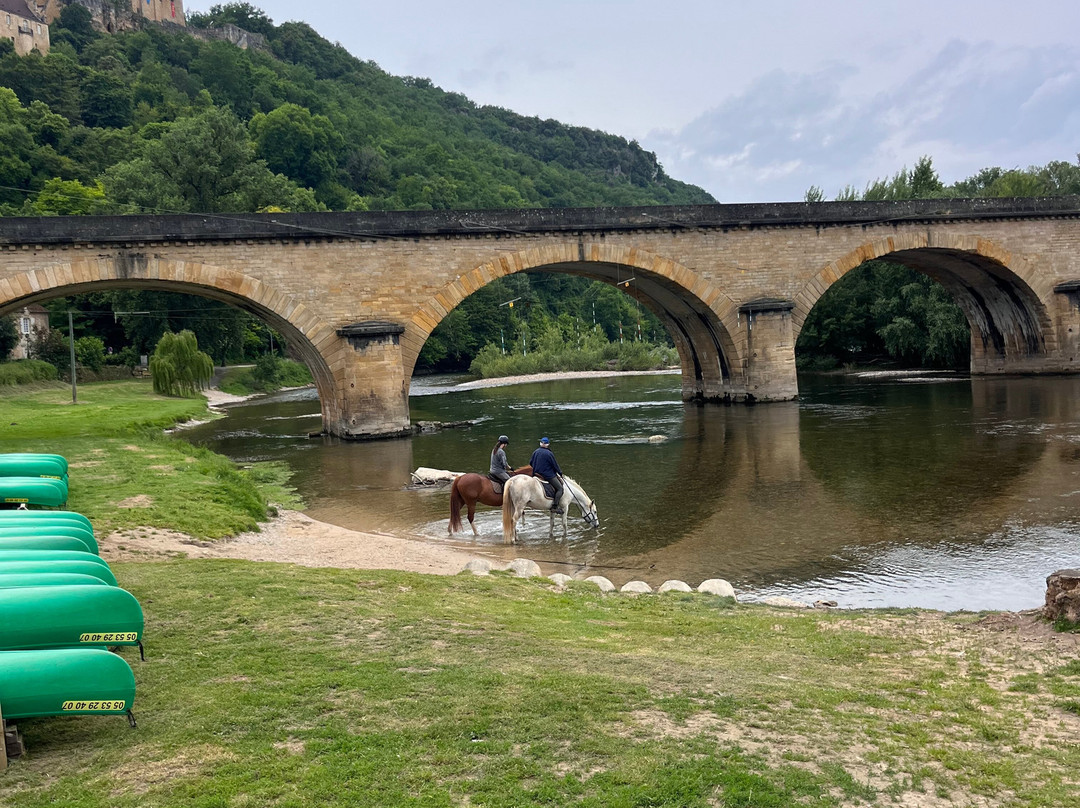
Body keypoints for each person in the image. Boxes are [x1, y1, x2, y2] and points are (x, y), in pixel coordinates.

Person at [529, 436, 564, 514]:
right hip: (547, 475)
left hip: (536, 474)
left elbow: (531, 463)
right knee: (560, 489)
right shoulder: (549, 453)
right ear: (548, 444)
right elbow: (555, 465)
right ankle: (554, 507)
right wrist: (560, 473)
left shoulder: (535, 452)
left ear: (540, 443)